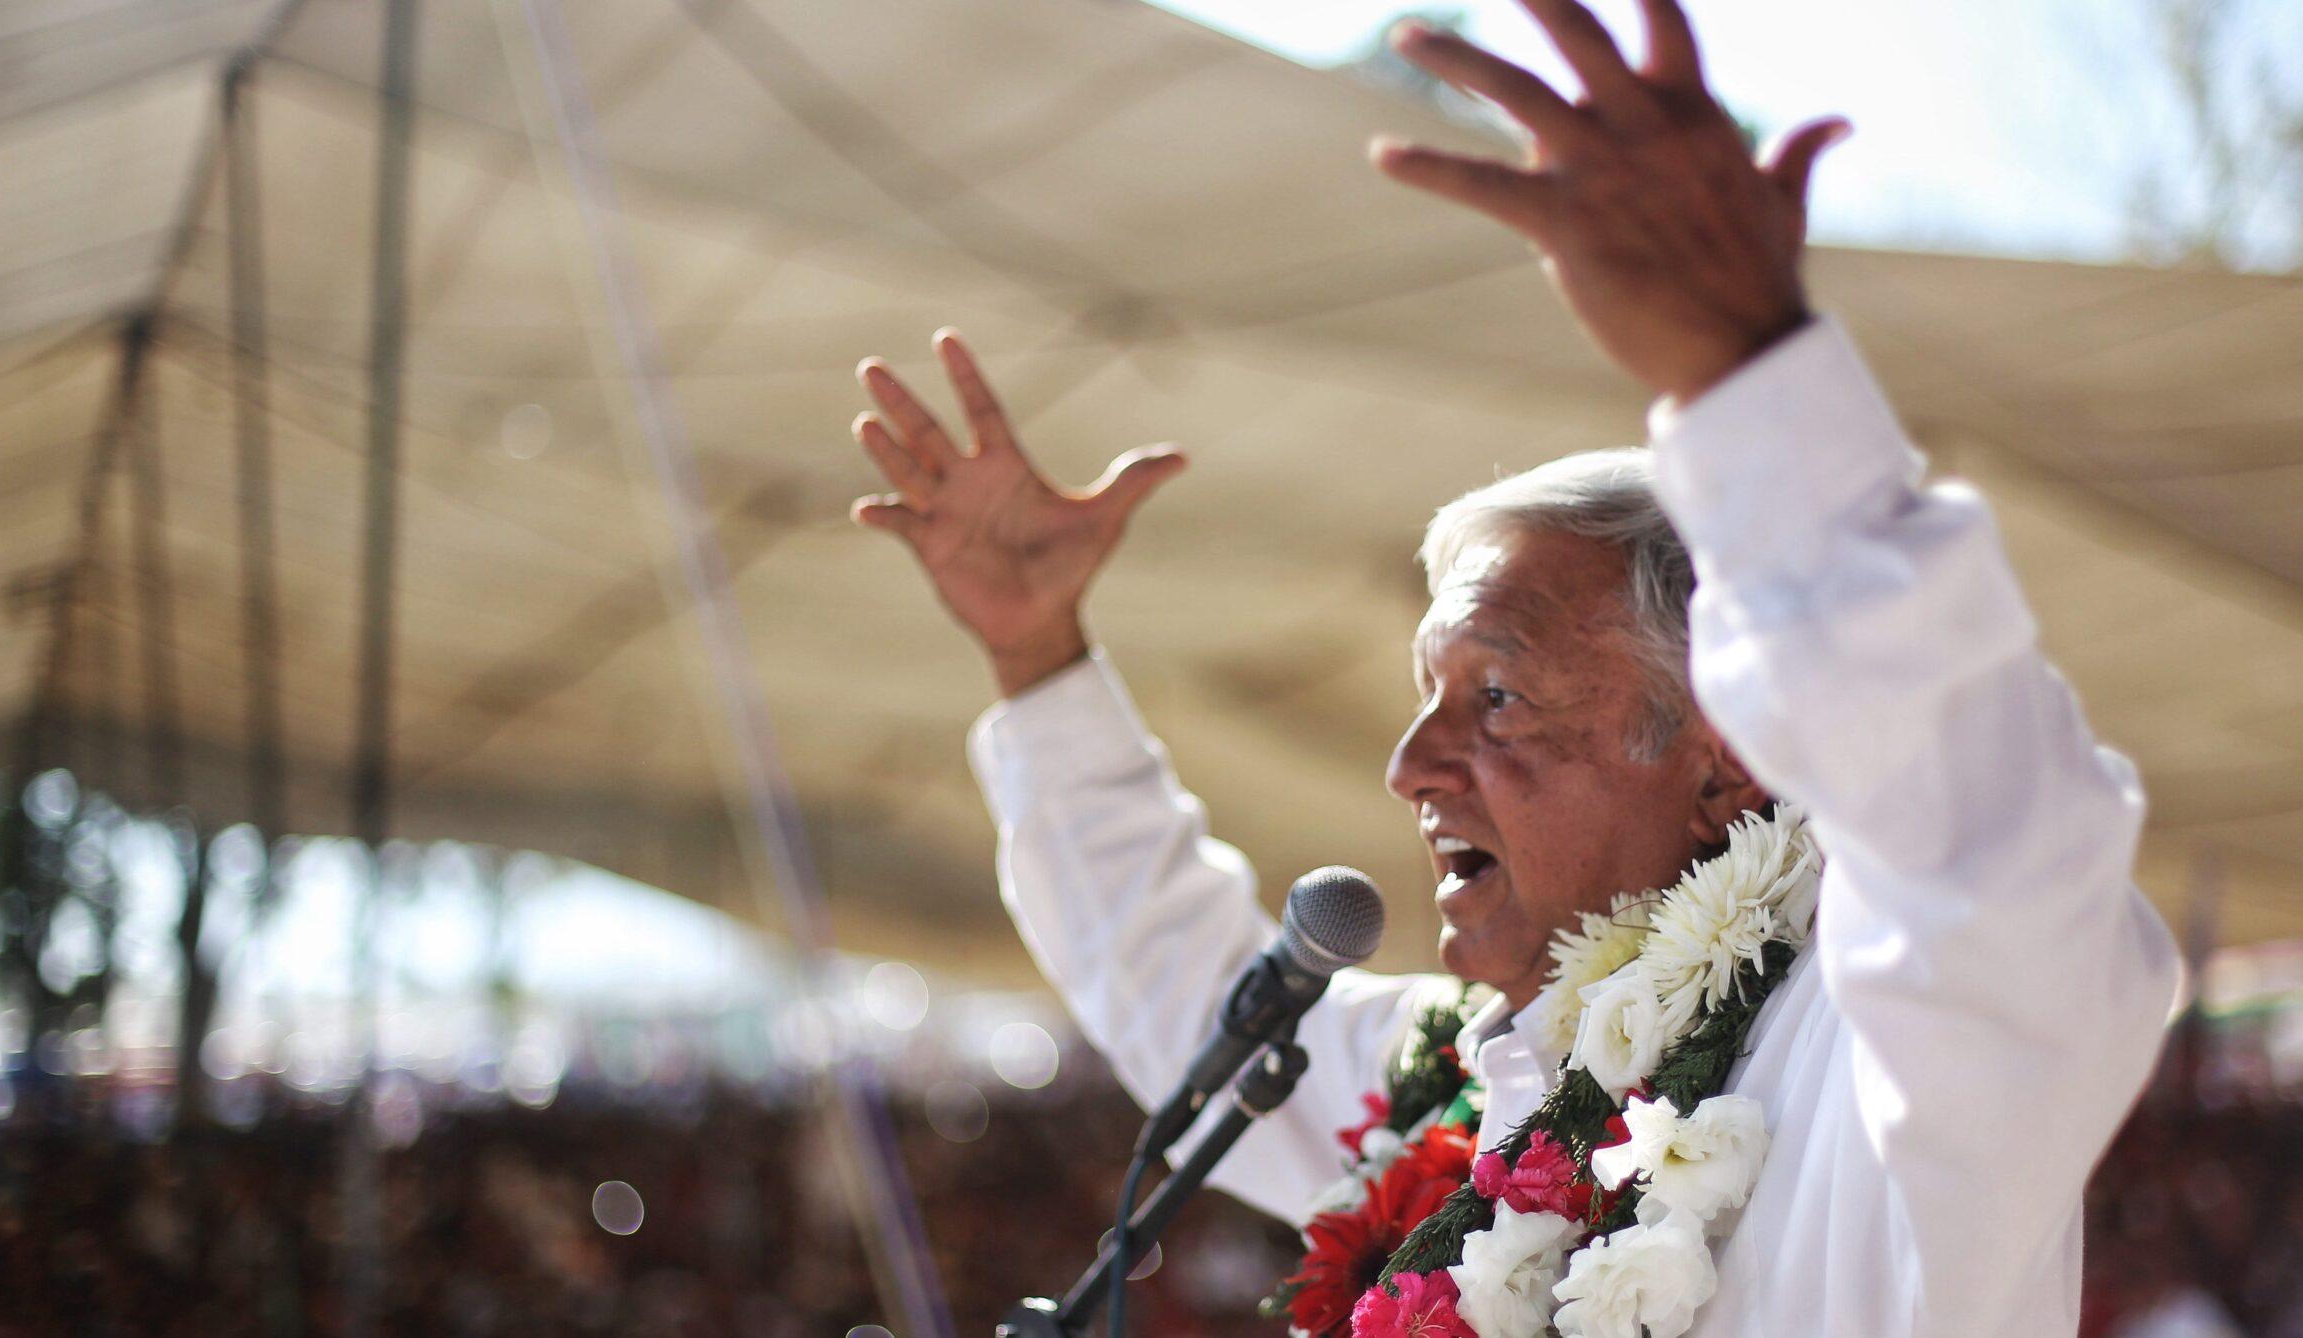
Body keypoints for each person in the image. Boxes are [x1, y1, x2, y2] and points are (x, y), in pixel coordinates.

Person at [846, 1, 2181, 1332]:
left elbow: (2006, 871)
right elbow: (1188, 990)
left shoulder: (1864, 1073)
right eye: (1430, 698)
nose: (1410, 765)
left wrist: (1752, 373)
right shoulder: (1463, 1086)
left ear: (1724, 756)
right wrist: (1034, 651)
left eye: (1496, 695)